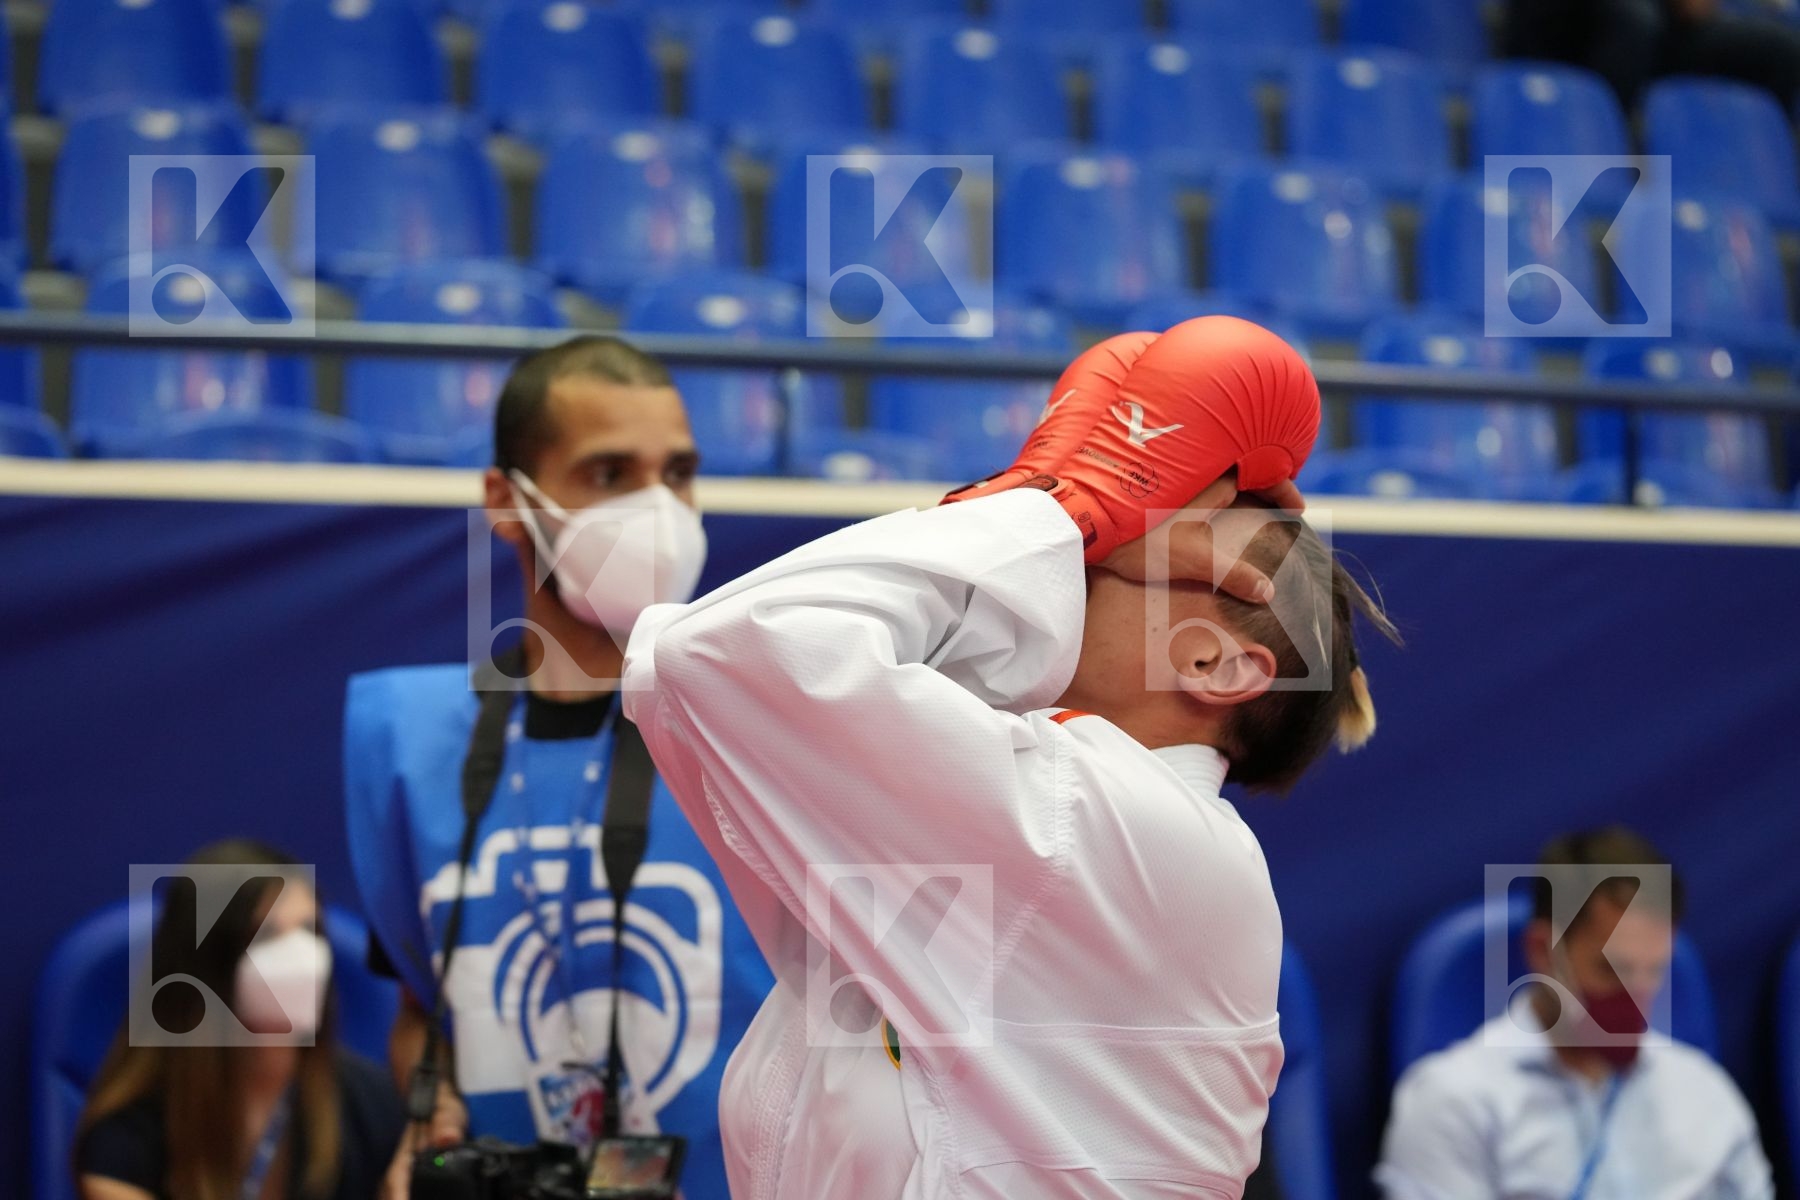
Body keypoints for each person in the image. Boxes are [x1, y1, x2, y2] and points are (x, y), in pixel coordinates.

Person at [622, 318, 1400, 1197]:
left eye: (1122, 548)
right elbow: (676, 675)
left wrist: (1058, 500)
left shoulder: (1120, 823)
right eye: (1101, 537)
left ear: (1212, 662)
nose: (1077, 560)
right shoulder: (1053, 813)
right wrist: (1053, 504)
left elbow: (729, 650)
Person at [342, 336, 773, 1199]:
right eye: (610, 475)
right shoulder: (409, 742)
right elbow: (424, 1014)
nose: (658, 509)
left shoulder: (771, 737)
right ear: (506, 500)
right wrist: (436, 1109)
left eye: (678, 474)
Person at [1376, 826, 1774, 1199]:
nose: (1635, 996)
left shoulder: (1703, 1092)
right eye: (1611, 969)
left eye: (1653, 970)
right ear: (1544, 952)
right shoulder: (1457, 1103)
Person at [75, 839, 405, 1200]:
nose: (300, 957)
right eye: (265, 935)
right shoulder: (128, 1135)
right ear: (204, 967)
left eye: (309, 930)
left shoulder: (376, 1106)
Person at [1505, 0, 1800, 108]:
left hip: (1659, 31)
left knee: (1780, 49)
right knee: (1635, 20)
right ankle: (1605, 143)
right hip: (1558, 22)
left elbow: (1695, 10)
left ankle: (1755, 167)